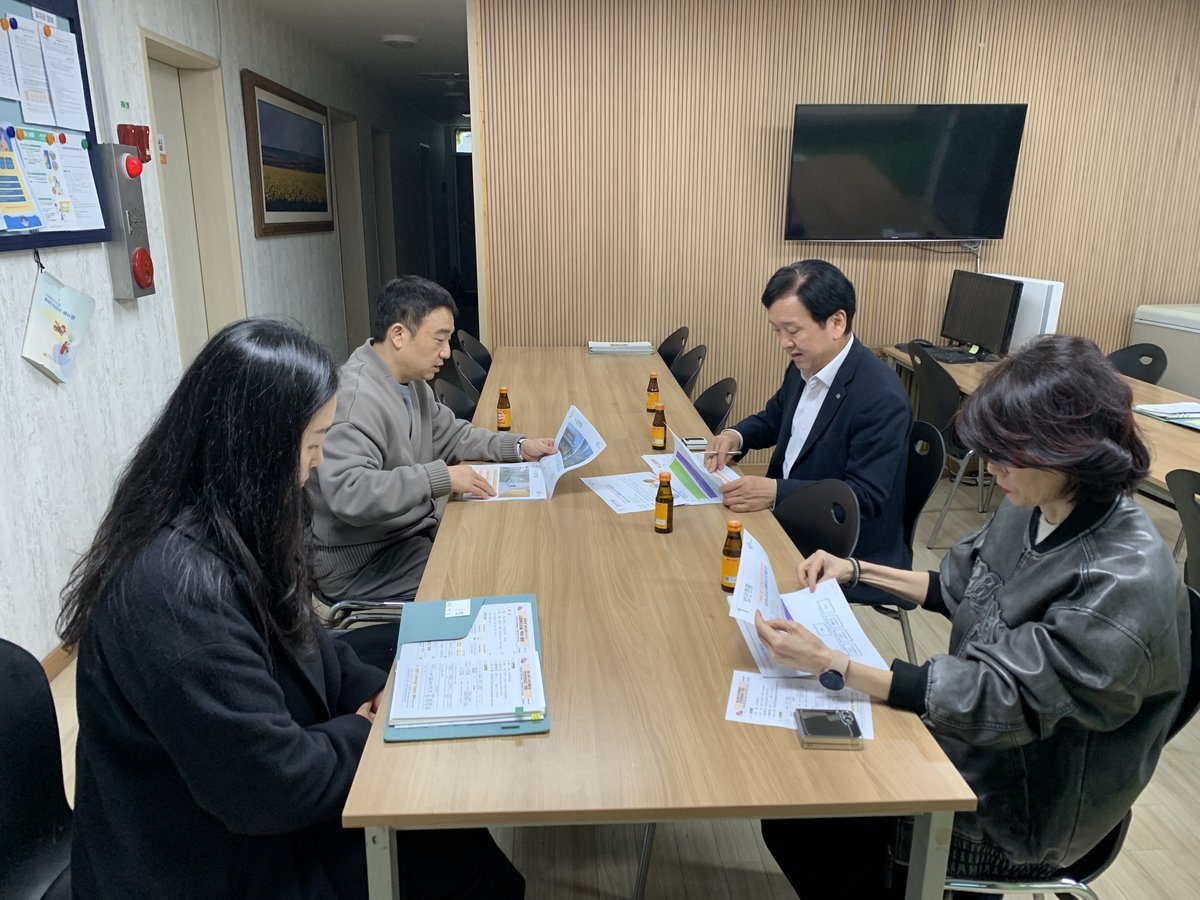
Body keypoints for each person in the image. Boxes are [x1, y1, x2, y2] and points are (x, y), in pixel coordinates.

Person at [59, 319, 525, 900]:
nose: (317, 464)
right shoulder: (175, 595)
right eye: (311, 445)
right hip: (204, 860)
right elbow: (268, 788)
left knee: (451, 836)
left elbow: (306, 638)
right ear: (255, 450)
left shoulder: (229, 519)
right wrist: (367, 730)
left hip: (248, 807)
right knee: (444, 850)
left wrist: (383, 691)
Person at [753, 334, 1189, 899]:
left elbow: (1002, 699)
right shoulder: (1038, 500)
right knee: (797, 795)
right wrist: (855, 570)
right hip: (975, 740)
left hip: (1023, 808)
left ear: (1070, 449)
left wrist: (834, 664)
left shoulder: (1122, 578)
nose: (990, 468)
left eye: (1007, 454)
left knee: (811, 819)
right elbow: (958, 586)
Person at [308, 276, 555, 604]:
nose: (446, 353)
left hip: (407, 535)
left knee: (503, 548)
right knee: (490, 574)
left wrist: (520, 447)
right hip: (363, 560)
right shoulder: (354, 399)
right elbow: (350, 493)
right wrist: (441, 478)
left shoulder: (409, 382)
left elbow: (454, 435)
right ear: (398, 335)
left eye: (448, 340)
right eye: (439, 339)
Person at [705, 259, 911, 604]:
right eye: (777, 331)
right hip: (789, 517)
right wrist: (735, 436)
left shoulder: (880, 397)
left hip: (843, 547)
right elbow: (774, 418)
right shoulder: (805, 364)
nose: (784, 343)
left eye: (793, 330)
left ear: (836, 322)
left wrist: (777, 492)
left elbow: (863, 498)